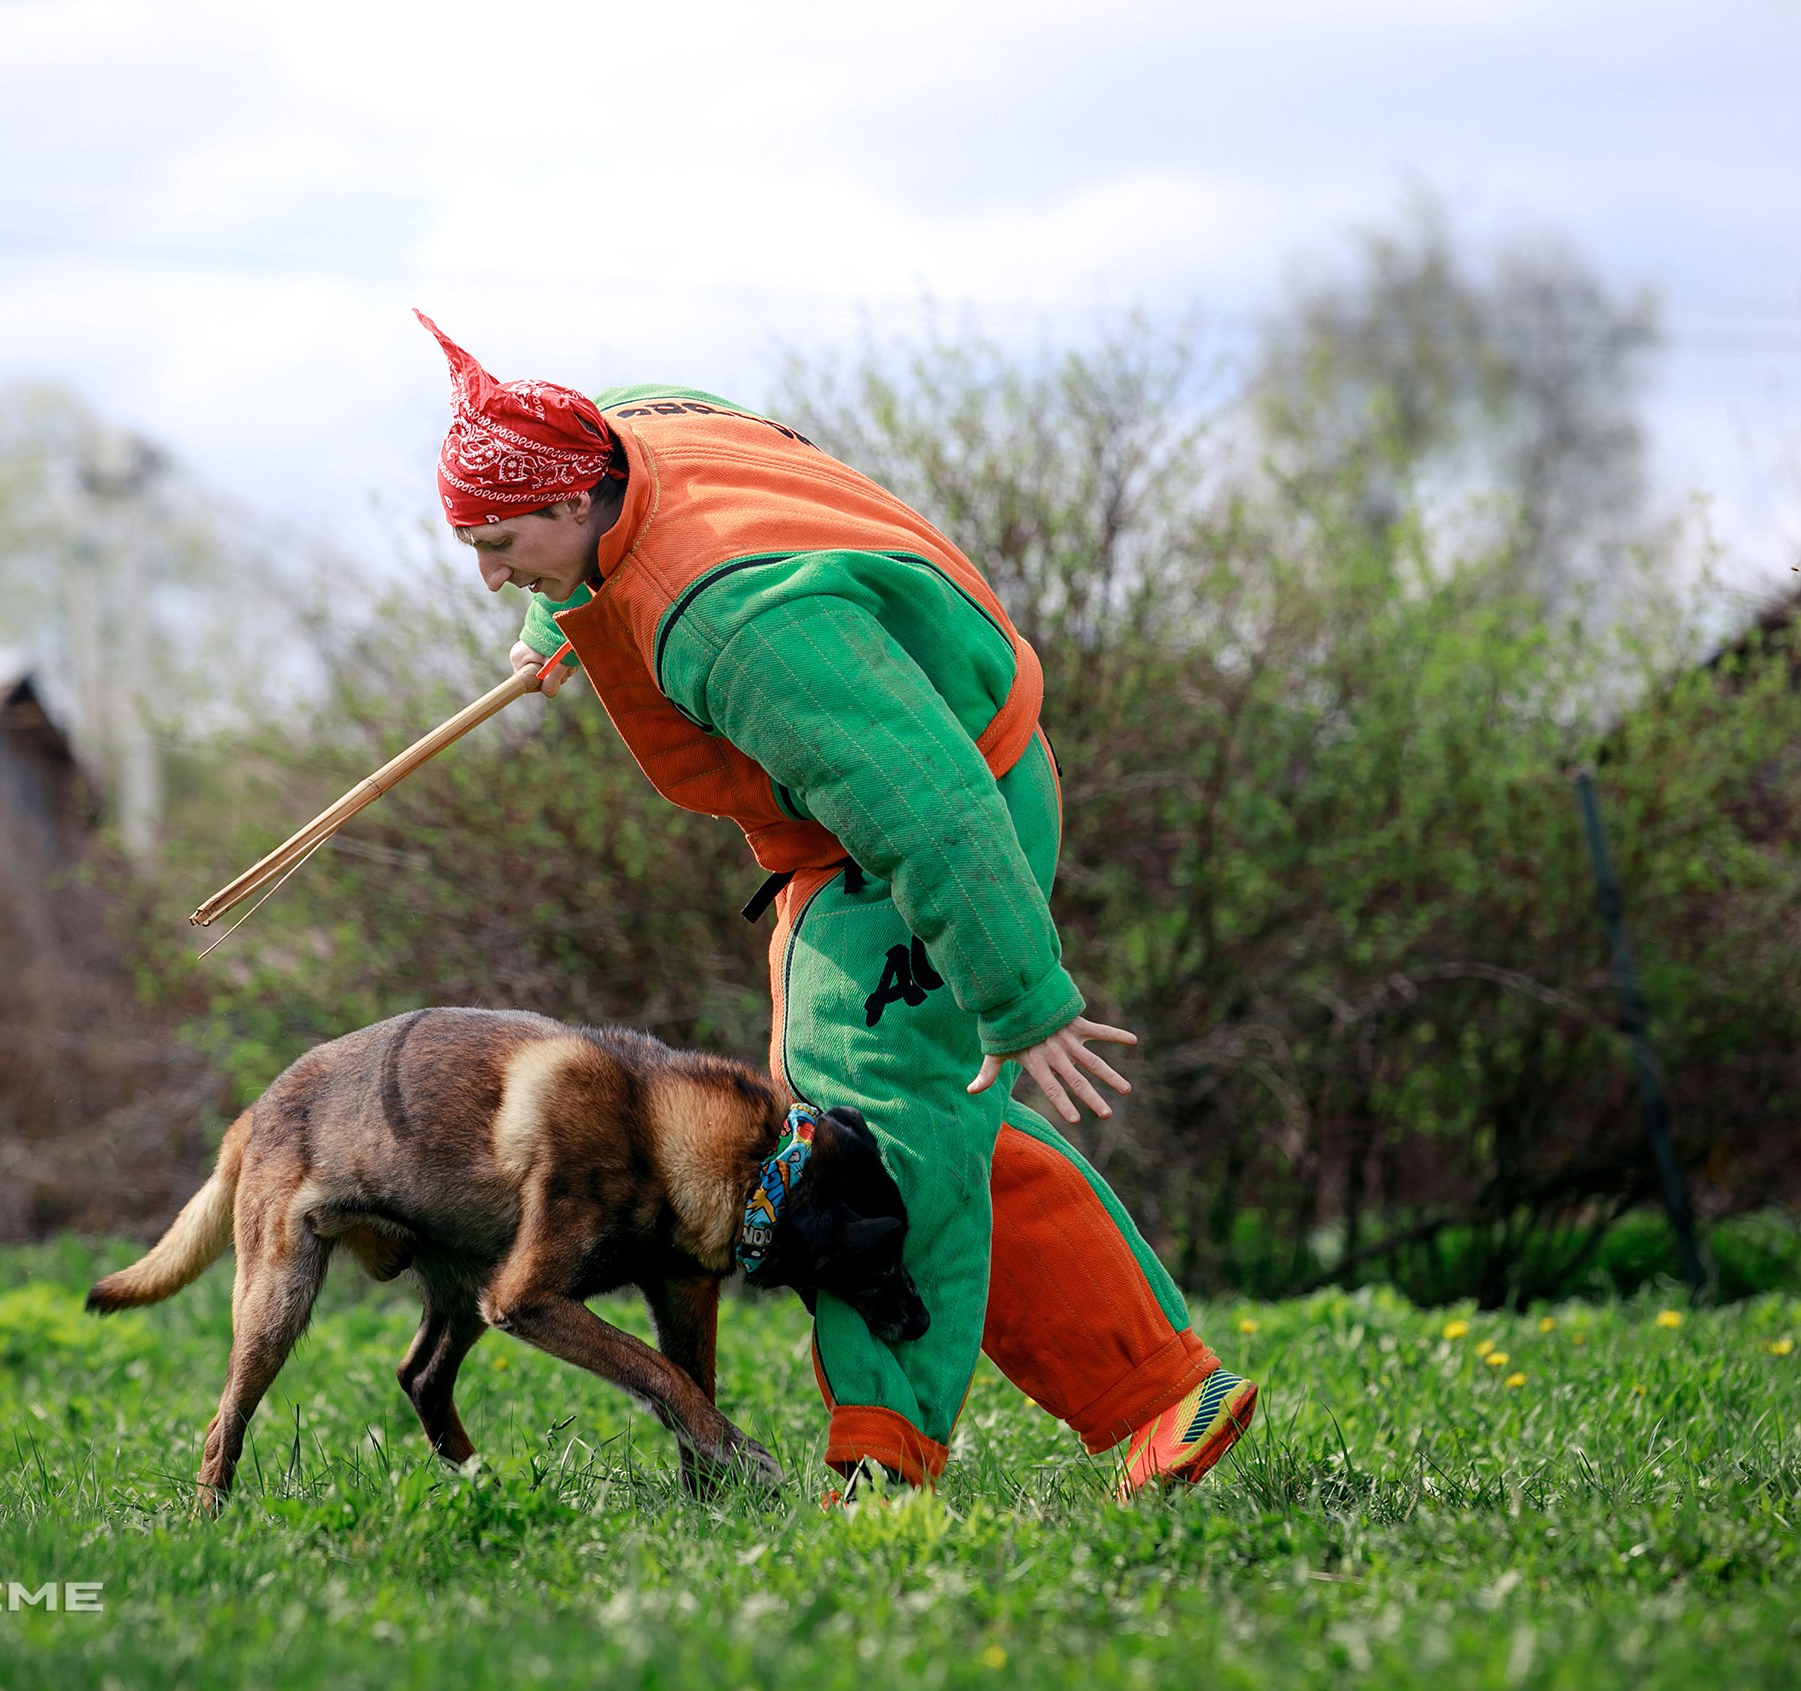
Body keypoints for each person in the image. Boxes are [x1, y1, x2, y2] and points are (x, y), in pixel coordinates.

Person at [417, 312, 1256, 1497]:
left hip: (922, 828)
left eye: (503, 545)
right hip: (883, 810)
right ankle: (1162, 1392)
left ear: (575, 502)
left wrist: (1022, 998)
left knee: (863, 1147)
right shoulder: (625, 436)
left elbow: (930, 807)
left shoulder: (743, 630)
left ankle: (884, 1460)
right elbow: (654, 420)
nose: (490, 568)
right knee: (943, 1123)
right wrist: (551, 619)